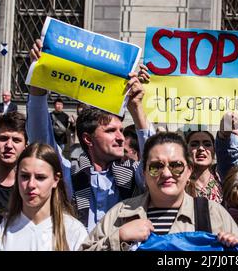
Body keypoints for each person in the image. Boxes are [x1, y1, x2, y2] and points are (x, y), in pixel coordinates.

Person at [28, 39, 152, 232]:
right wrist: (38, 84)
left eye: (120, 130)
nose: (120, 137)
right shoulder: (70, 174)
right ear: (88, 139)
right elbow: (41, 140)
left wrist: (136, 108)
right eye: (111, 131)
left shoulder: (133, 175)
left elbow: (155, 158)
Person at [80, 132, 238, 251]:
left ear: (189, 170)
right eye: (156, 167)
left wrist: (236, 247)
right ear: (144, 173)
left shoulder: (212, 213)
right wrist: (119, 238)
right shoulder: (121, 214)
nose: (166, 174)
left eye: (176, 166)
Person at [0, 143, 88, 250]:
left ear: (55, 180)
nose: (31, 185)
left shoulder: (73, 231)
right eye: (25, 176)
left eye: (40, 177)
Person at [185, 130, 223, 203]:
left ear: (214, 150)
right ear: (186, 150)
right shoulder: (180, 182)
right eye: (194, 145)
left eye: (207, 144)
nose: (201, 148)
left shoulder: (222, 178)